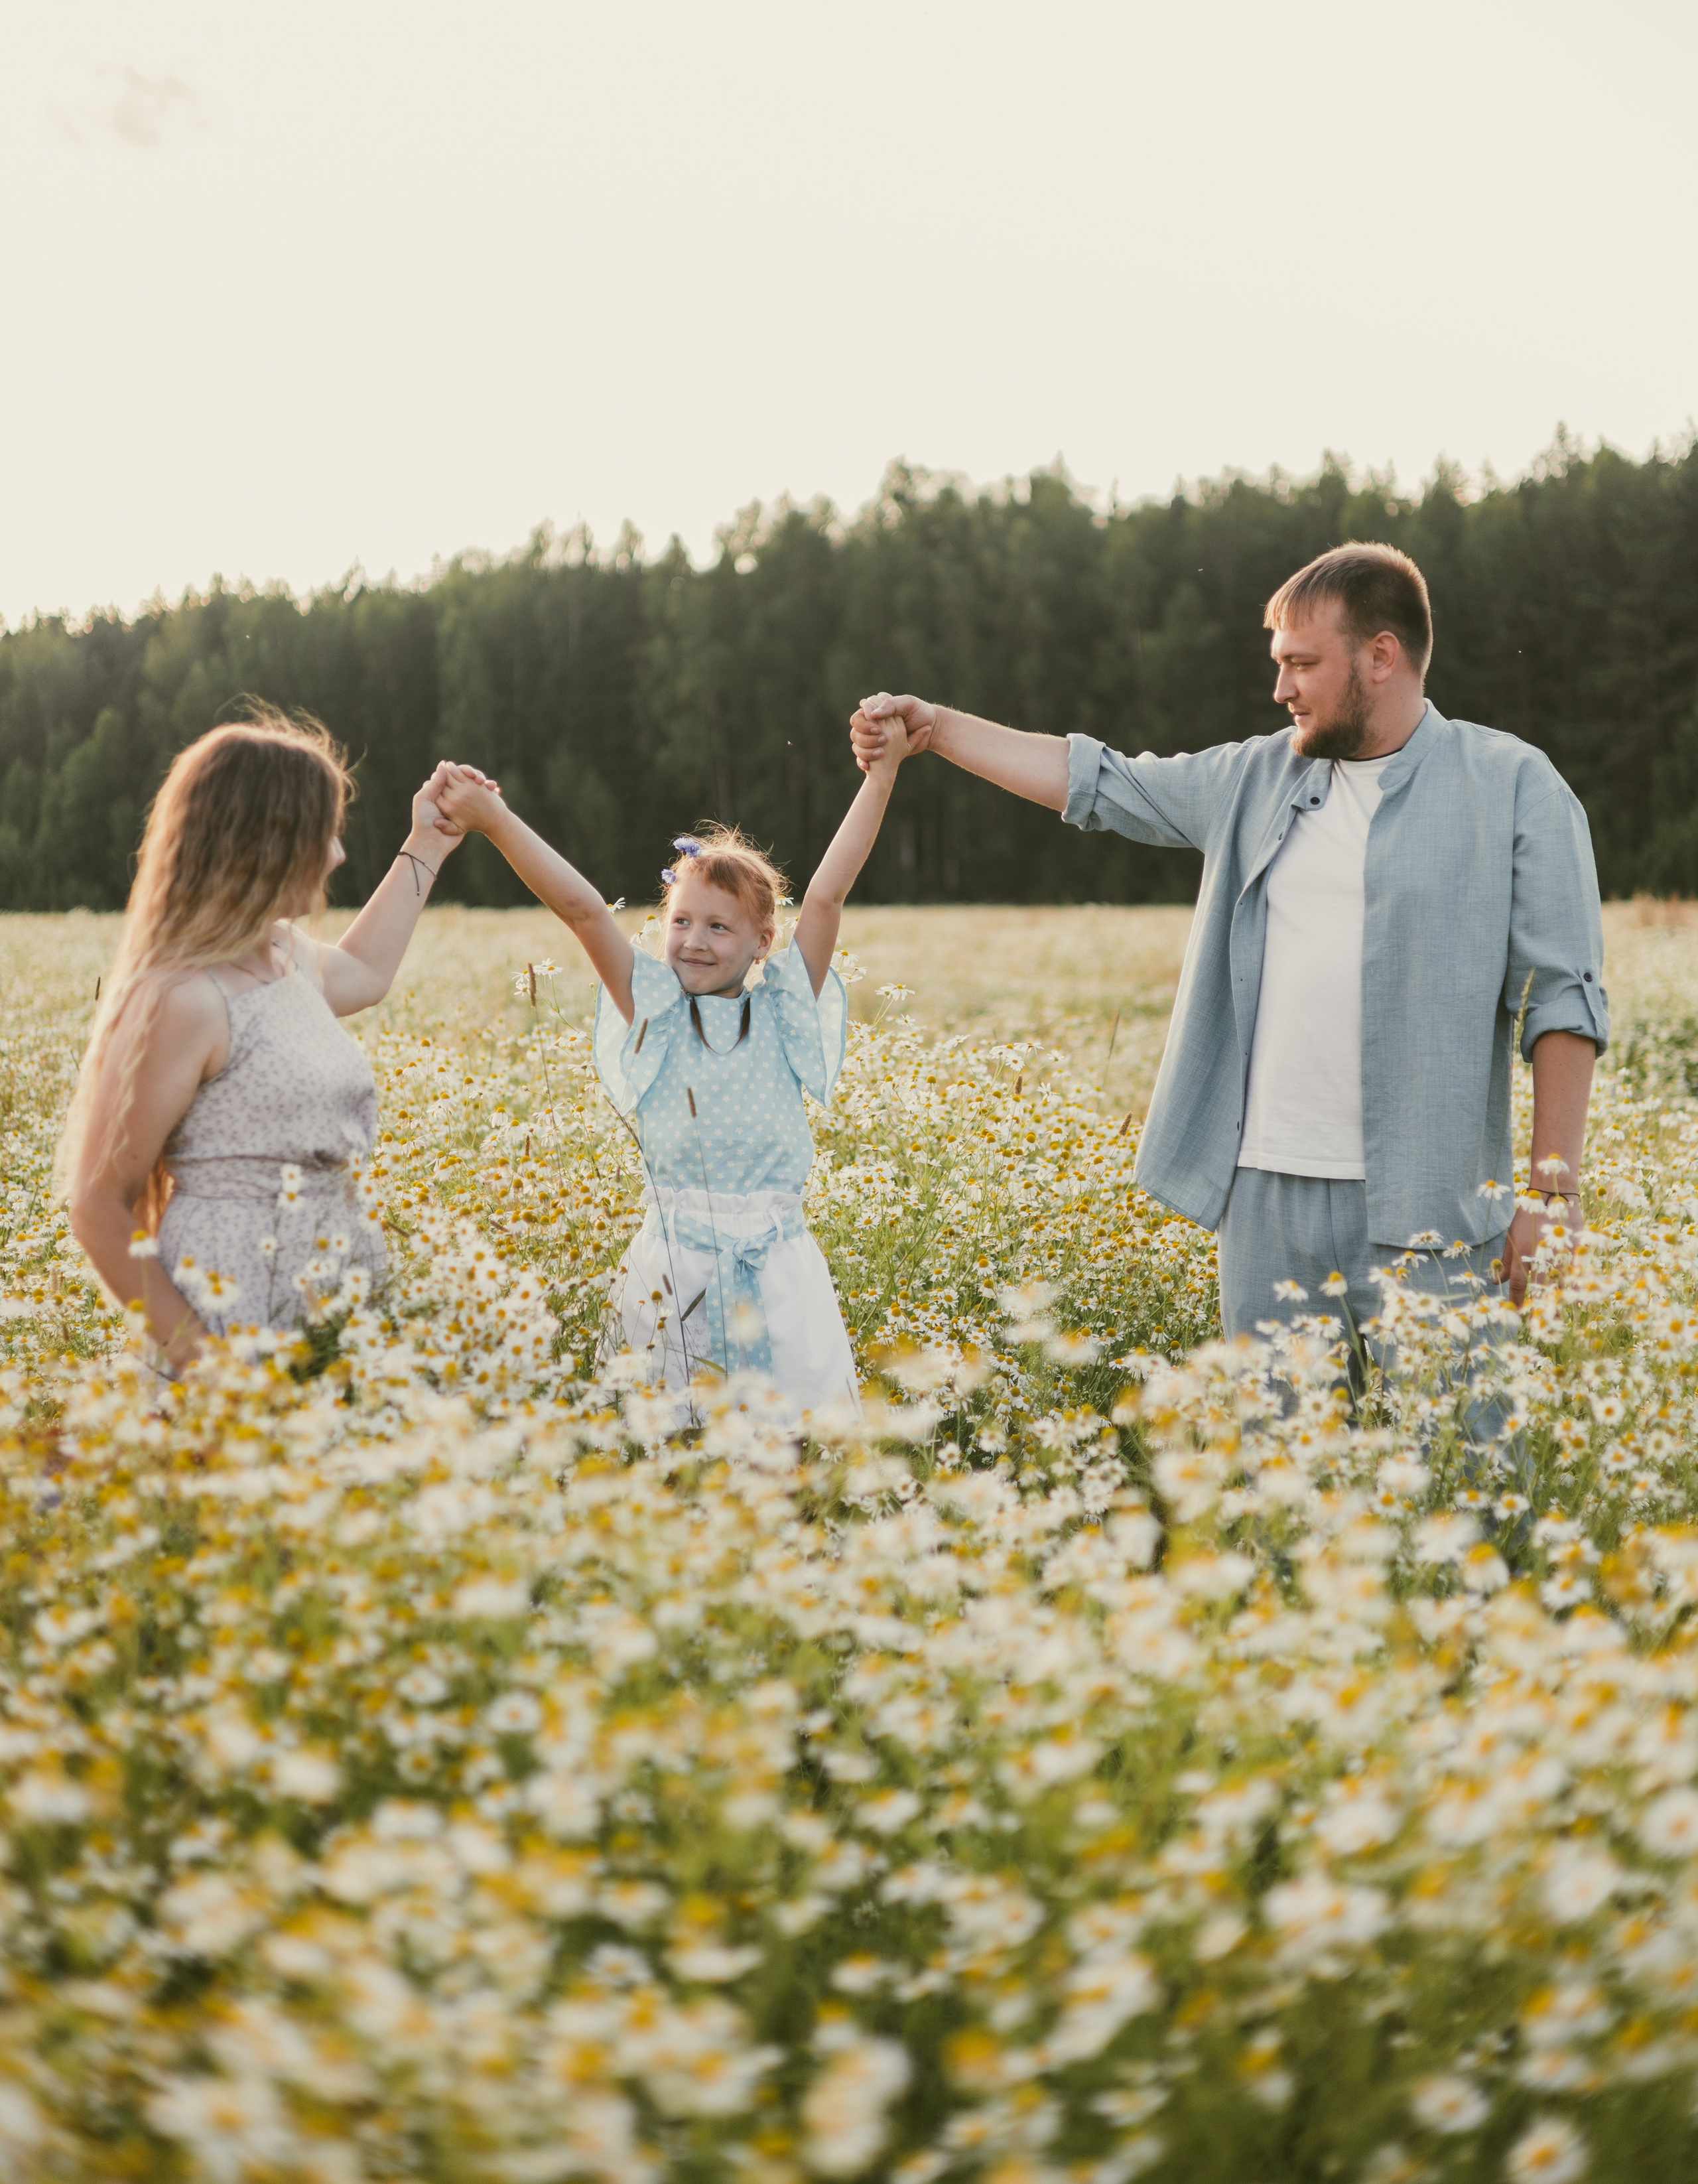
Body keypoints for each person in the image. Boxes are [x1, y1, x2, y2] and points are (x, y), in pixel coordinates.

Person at [849, 543, 1608, 1354]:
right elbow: (1099, 781)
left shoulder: (1513, 786)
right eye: (1279, 664)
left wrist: (1552, 1193)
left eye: (1301, 664)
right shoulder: (1253, 777)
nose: (1280, 688)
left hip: (1436, 1210)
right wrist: (940, 730)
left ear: (1381, 656)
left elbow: (1562, 999)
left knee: (1456, 1438)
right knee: (1274, 1443)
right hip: (1265, 1210)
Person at [435, 750, 903, 1419]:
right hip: (673, 1270)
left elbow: (827, 894)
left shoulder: (782, 1011)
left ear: (762, 942)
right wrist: (496, 820)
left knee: (792, 1438)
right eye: (681, 921)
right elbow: (583, 911)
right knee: (669, 1439)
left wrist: (880, 778)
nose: (693, 941)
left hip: (777, 1268)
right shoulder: (652, 1010)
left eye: (719, 926)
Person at [63, 707, 466, 1369]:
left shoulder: (281, 953)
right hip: (233, 1326)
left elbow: (365, 970)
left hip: (332, 1311)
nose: (337, 855)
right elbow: (97, 1206)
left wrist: (428, 842)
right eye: (322, 835)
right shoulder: (182, 998)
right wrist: (212, 1372)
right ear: (266, 843)